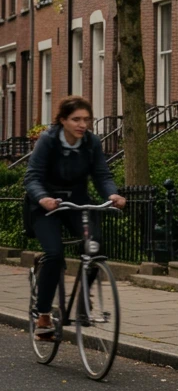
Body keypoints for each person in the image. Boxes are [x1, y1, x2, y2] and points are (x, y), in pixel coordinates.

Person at [24, 96, 126, 339]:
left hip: (77, 203)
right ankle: (44, 314)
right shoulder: (48, 141)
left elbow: (101, 174)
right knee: (55, 254)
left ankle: (82, 303)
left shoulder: (91, 142)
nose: (82, 124)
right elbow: (32, 177)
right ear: (62, 120)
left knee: (94, 247)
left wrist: (112, 194)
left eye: (86, 120)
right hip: (46, 206)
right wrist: (43, 198)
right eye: (76, 119)